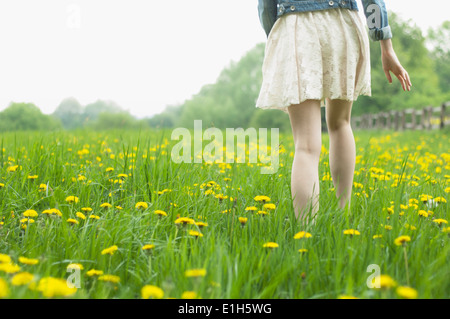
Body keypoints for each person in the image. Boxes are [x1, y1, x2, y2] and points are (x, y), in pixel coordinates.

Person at [256, 0, 412, 223]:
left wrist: (275, 33)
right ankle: (343, 218)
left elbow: (266, 5)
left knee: (306, 145)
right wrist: (385, 44)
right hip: (342, 23)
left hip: (296, 26)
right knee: (340, 124)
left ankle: (306, 235)